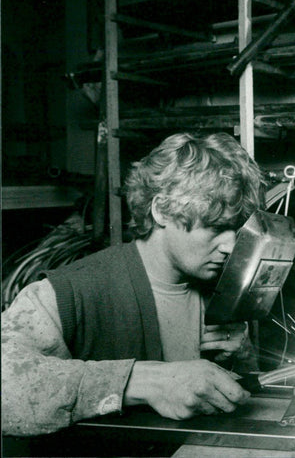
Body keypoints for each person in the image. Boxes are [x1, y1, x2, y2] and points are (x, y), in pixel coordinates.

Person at [2, 132, 263, 436]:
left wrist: (235, 358)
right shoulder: (69, 293)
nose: (231, 247)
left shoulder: (217, 289)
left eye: (235, 230)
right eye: (216, 227)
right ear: (162, 211)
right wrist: (143, 381)